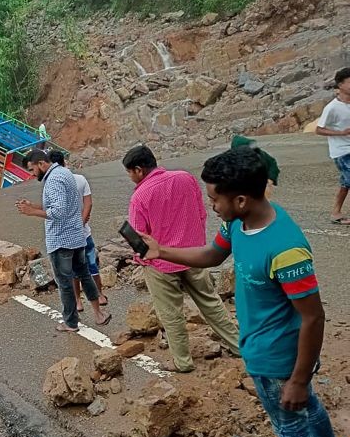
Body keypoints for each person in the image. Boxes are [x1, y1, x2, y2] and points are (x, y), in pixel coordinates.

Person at [140, 147, 348, 437]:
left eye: (214, 198)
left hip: (279, 360)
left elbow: (313, 317)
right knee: (308, 412)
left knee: (292, 434)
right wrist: (161, 250)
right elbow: (211, 255)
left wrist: (299, 379)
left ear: (240, 199)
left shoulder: (286, 247)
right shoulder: (239, 224)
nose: (210, 205)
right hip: (264, 350)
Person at [123, 145, 239, 372]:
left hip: (161, 263)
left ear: (138, 170)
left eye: (129, 172)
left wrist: (141, 259)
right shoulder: (185, 178)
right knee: (211, 303)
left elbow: (140, 238)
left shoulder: (139, 197)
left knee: (171, 314)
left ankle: (182, 361)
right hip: (195, 256)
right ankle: (238, 346)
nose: (130, 178)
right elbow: (202, 212)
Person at [16, 149, 110, 329]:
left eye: (32, 169)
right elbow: (61, 204)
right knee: (85, 275)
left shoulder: (52, 180)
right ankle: (99, 314)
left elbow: (58, 212)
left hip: (61, 240)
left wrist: (32, 212)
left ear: (41, 164)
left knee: (65, 283)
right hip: (76, 236)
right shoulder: (65, 173)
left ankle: (71, 322)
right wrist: (34, 205)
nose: (32, 174)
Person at [49, 152, 107, 308]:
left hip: (66, 238)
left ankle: (78, 300)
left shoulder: (52, 184)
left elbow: (53, 213)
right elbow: (88, 204)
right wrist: (81, 222)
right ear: (65, 163)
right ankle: (99, 295)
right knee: (91, 265)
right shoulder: (80, 179)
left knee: (73, 271)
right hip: (83, 232)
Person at [315, 67, 350, 225]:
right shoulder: (332, 108)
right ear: (340, 85)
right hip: (342, 152)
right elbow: (319, 129)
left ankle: (335, 213)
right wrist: (341, 133)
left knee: (346, 183)